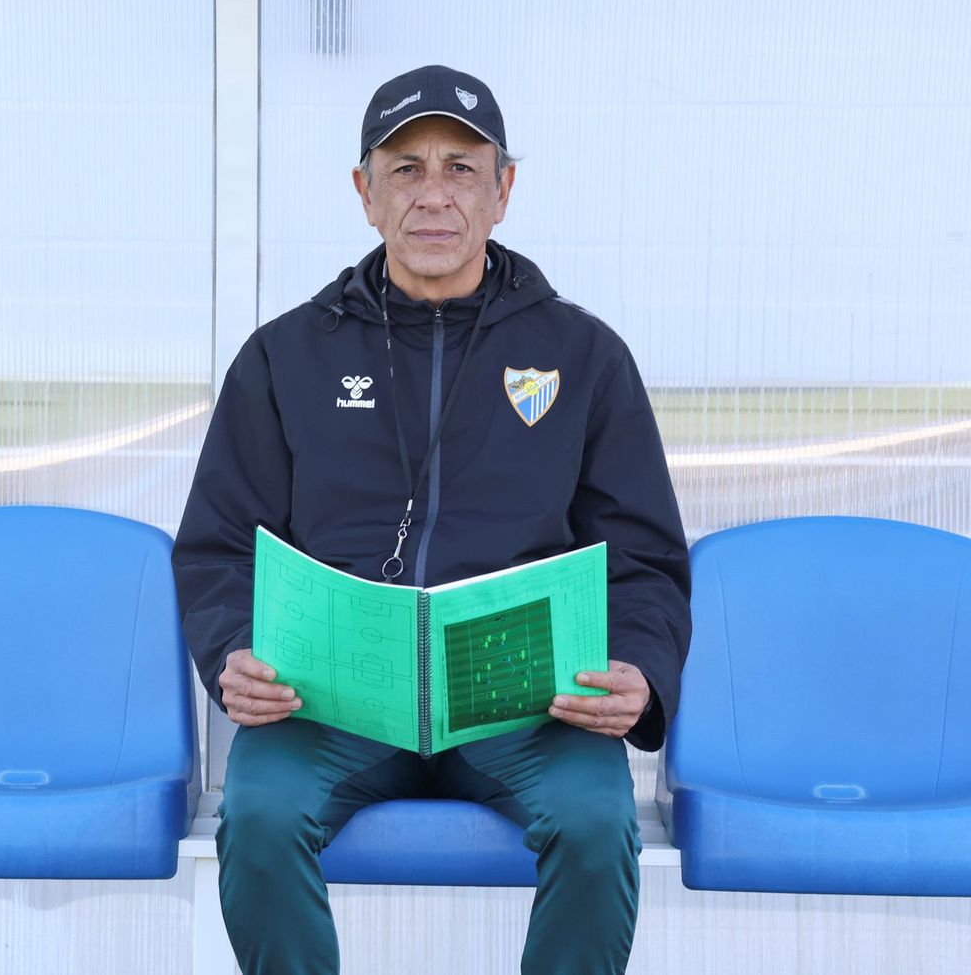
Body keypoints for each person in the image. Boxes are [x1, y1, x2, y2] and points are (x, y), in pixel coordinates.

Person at [171, 65, 691, 975]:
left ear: (504, 189)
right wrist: (230, 655)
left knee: (597, 821)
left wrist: (640, 675)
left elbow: (644, 557)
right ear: (365, 194)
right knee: (255, 817)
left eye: (461, 166)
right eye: (405, 168)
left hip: (526, 707)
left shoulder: (584, 357)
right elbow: (218, 545)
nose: (434, 194)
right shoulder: (285, 356)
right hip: (329, 702)